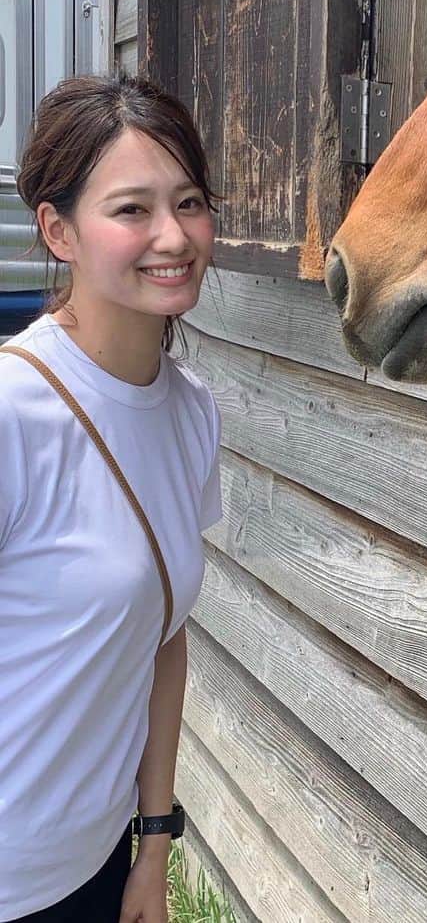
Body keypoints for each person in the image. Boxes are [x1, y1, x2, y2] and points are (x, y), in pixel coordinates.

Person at [0, 73, 222, 922]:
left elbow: (164, 639)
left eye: (190, 201)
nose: (174, 235)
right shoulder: (16, 412)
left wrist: (153, 843)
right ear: (58, 230)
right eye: (132, 209)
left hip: (94, 863)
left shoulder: (191, 412)